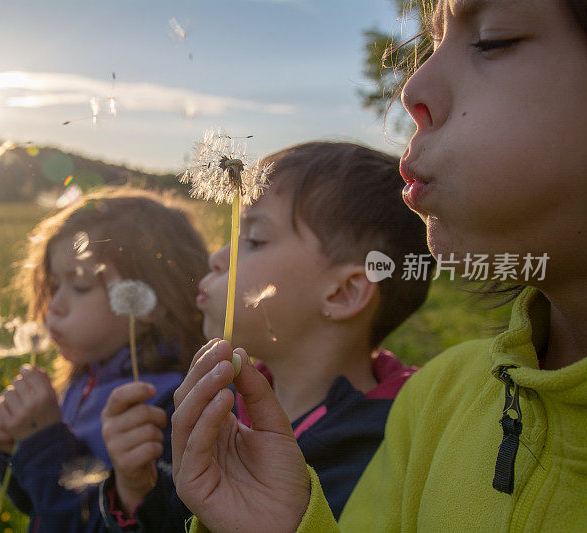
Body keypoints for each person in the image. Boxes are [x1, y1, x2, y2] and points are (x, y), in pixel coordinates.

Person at [171, 0, 587, 531]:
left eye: (492, 39)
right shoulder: (434, 400)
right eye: (431, 45)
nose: (412, 88)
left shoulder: (398, 417)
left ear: (347, 291)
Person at [100, 142, 430, 530]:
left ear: (343, 293)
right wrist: (137, 491)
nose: (217, 257)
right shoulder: (208, 403)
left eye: (254, 240)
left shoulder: (392, 453)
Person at [0, 188, 209, 532]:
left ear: (150, 300)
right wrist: (17, 446)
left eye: (80, 286)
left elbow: (89, 524)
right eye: (55, 285)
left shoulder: (172, 408)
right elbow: (41, 506)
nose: (54, 305)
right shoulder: (81, 381)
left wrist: (44, 440)